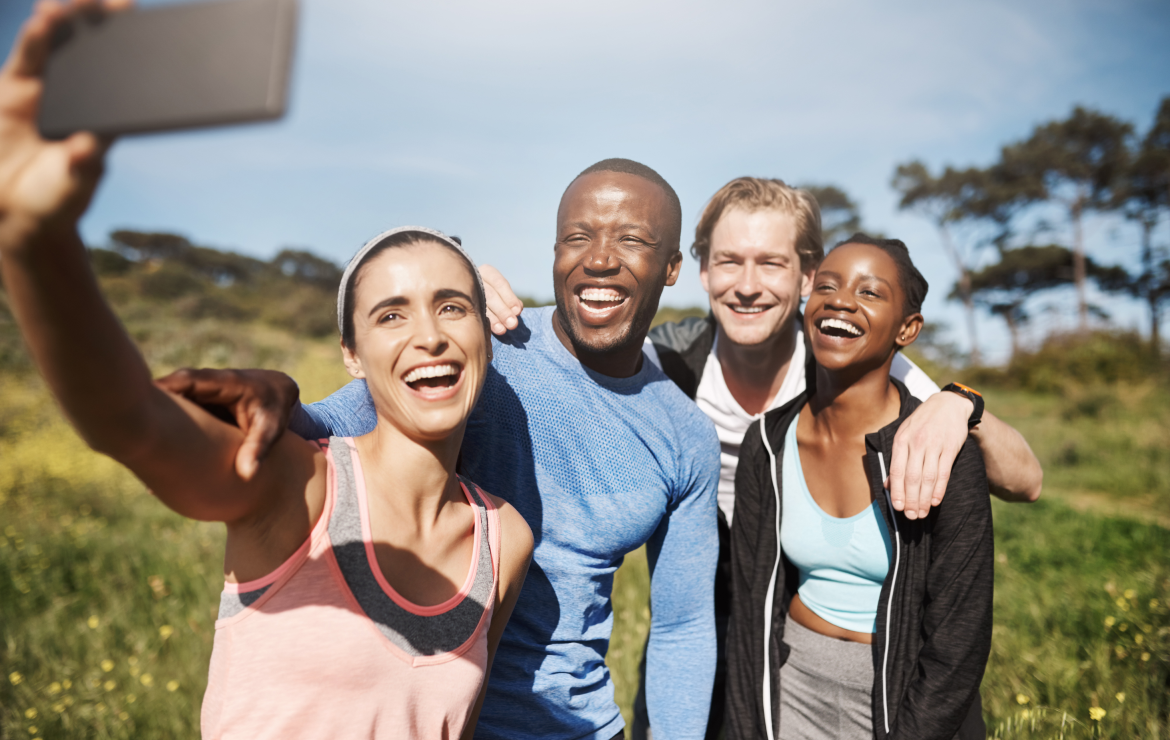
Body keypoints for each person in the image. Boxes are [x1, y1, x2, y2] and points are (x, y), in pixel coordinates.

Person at [0, 5, 532, 738]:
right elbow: (130, 422)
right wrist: (34, 243)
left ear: (485, 334)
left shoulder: (505, 538)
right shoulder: (295, 485)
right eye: (390, 315)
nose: (430, 337)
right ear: (352, 356)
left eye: (452, 307)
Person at [165, 159, 723, 739]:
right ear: (554, 251)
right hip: (437, 718)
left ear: (673, 267)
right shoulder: (483, 353)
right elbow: (322, 432)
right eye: (577, 237)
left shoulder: (685, 437)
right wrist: (273, 393)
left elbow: (683, 627)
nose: (600, 258)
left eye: (632, 240)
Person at [478, 176, 1042, 738]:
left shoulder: (847, 357)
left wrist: (961, 404)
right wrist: (449, 288)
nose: (747, 286)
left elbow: (1027, 481)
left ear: (806, 276)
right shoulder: (666, 362)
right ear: (699, 271)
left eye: (771, 263)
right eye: (728, 262)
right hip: (705, 604)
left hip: (788, 625)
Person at [726, 234, 994, 740]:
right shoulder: (766, 443)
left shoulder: (943, 451)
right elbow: (749, 614)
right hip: (795, 683)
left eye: (870, 293)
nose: (842, 300)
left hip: (903, 694)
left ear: (907, 329)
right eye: (826, 286)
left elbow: (960, 638)